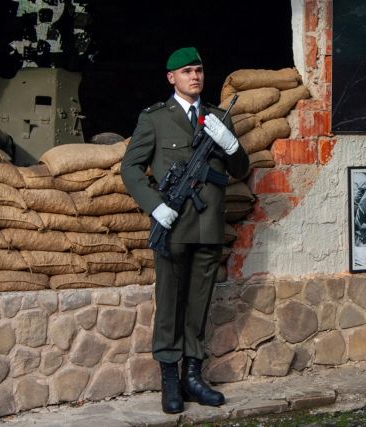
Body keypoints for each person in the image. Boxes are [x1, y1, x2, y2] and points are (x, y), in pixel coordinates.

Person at [121, 46, 249, 414]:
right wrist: (155, 205)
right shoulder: (155, 119)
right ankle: (169, 380)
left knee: (198, 304)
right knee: (170, 305)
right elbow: (130, 168)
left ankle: (193, 377)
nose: (195, 76)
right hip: (173, 225)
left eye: (199, 70)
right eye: (187, 71)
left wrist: (230, 144)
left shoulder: (216, 118)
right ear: (171, 77)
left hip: (208, 228)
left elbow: (240, 169)